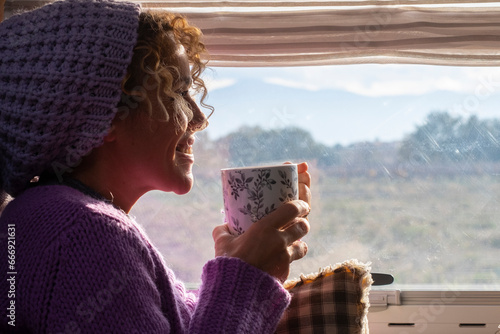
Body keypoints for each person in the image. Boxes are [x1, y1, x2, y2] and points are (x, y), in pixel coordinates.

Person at [0, 0, 311, 332]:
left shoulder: (48, 214)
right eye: (176, 92)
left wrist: (233, 263)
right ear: (104, 119)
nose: (199, 118)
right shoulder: (85, 233)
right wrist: (248, 278)